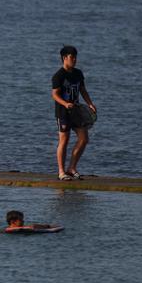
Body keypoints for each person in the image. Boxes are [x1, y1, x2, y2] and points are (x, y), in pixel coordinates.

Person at [52, 45, 97, 181]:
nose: (74, 60)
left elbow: (82, 90)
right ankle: (61, 172)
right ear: (64, 58)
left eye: (75, 57)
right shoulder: (58, 76)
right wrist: (65, 103)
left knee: (84, 139)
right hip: (63, 113)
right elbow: (54, 94)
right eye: (72, 57)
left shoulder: (78, 73)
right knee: (64, 141)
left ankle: (71, 168)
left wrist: (90, 103)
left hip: (76, 112)